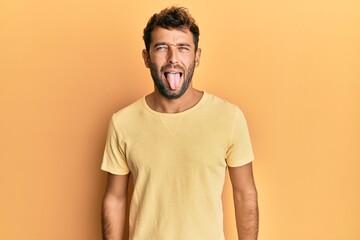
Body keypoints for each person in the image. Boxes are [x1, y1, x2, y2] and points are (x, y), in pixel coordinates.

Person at [101, 6, 258, 240]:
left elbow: (245, 194)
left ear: (197, 57)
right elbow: (115, 198)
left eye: (183, 48)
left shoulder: (229, 117)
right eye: (161, 48)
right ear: (146, 57)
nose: (173, 58)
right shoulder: (122, 122)